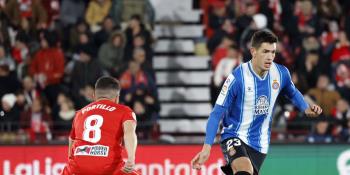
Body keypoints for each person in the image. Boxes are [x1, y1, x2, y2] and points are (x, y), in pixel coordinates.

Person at [191, 30, 323, 175]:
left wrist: (305, 107)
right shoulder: (238, 78)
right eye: (265, 51)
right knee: (244, 169)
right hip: (234, 134)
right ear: (253, 51)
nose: (270, 57)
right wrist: (207, 147)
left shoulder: (280, 73)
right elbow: (216, 114)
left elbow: (292, 92)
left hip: (260, 143)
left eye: (273, 52)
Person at [61, 76, 139, 175]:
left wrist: (72, 165)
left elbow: (71, 140)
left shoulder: (79, 113)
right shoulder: (124, 111)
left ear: (94, 96)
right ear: (117, 98)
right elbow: (129, 134)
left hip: (77, 167)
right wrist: (131, 159)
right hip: (108, 166)